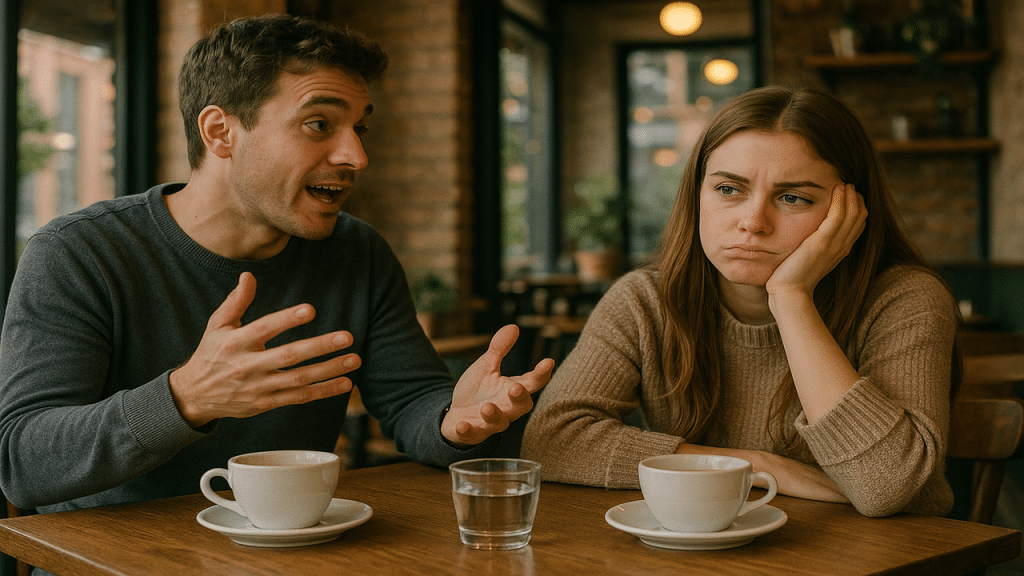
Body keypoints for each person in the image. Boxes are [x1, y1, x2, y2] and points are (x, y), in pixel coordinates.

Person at [0, 14, 553, 516]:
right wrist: (186, 398)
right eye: (318, 124)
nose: (356, 156)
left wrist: (453, 422)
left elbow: (411, 402)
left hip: (294, 551)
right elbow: (22, 463)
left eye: (360, 128)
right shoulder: (79, 252)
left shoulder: (357, 251)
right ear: (220, 132)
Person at [521, 86, 960, 518]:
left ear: (849, 211)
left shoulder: (904, 299)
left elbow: (886, 486)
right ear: (697, 194)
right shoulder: (644, 300)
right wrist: (757, 467)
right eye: (729, 189)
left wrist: (791, 298)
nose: (753, 222)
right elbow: (551, 442)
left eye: (793, 198)